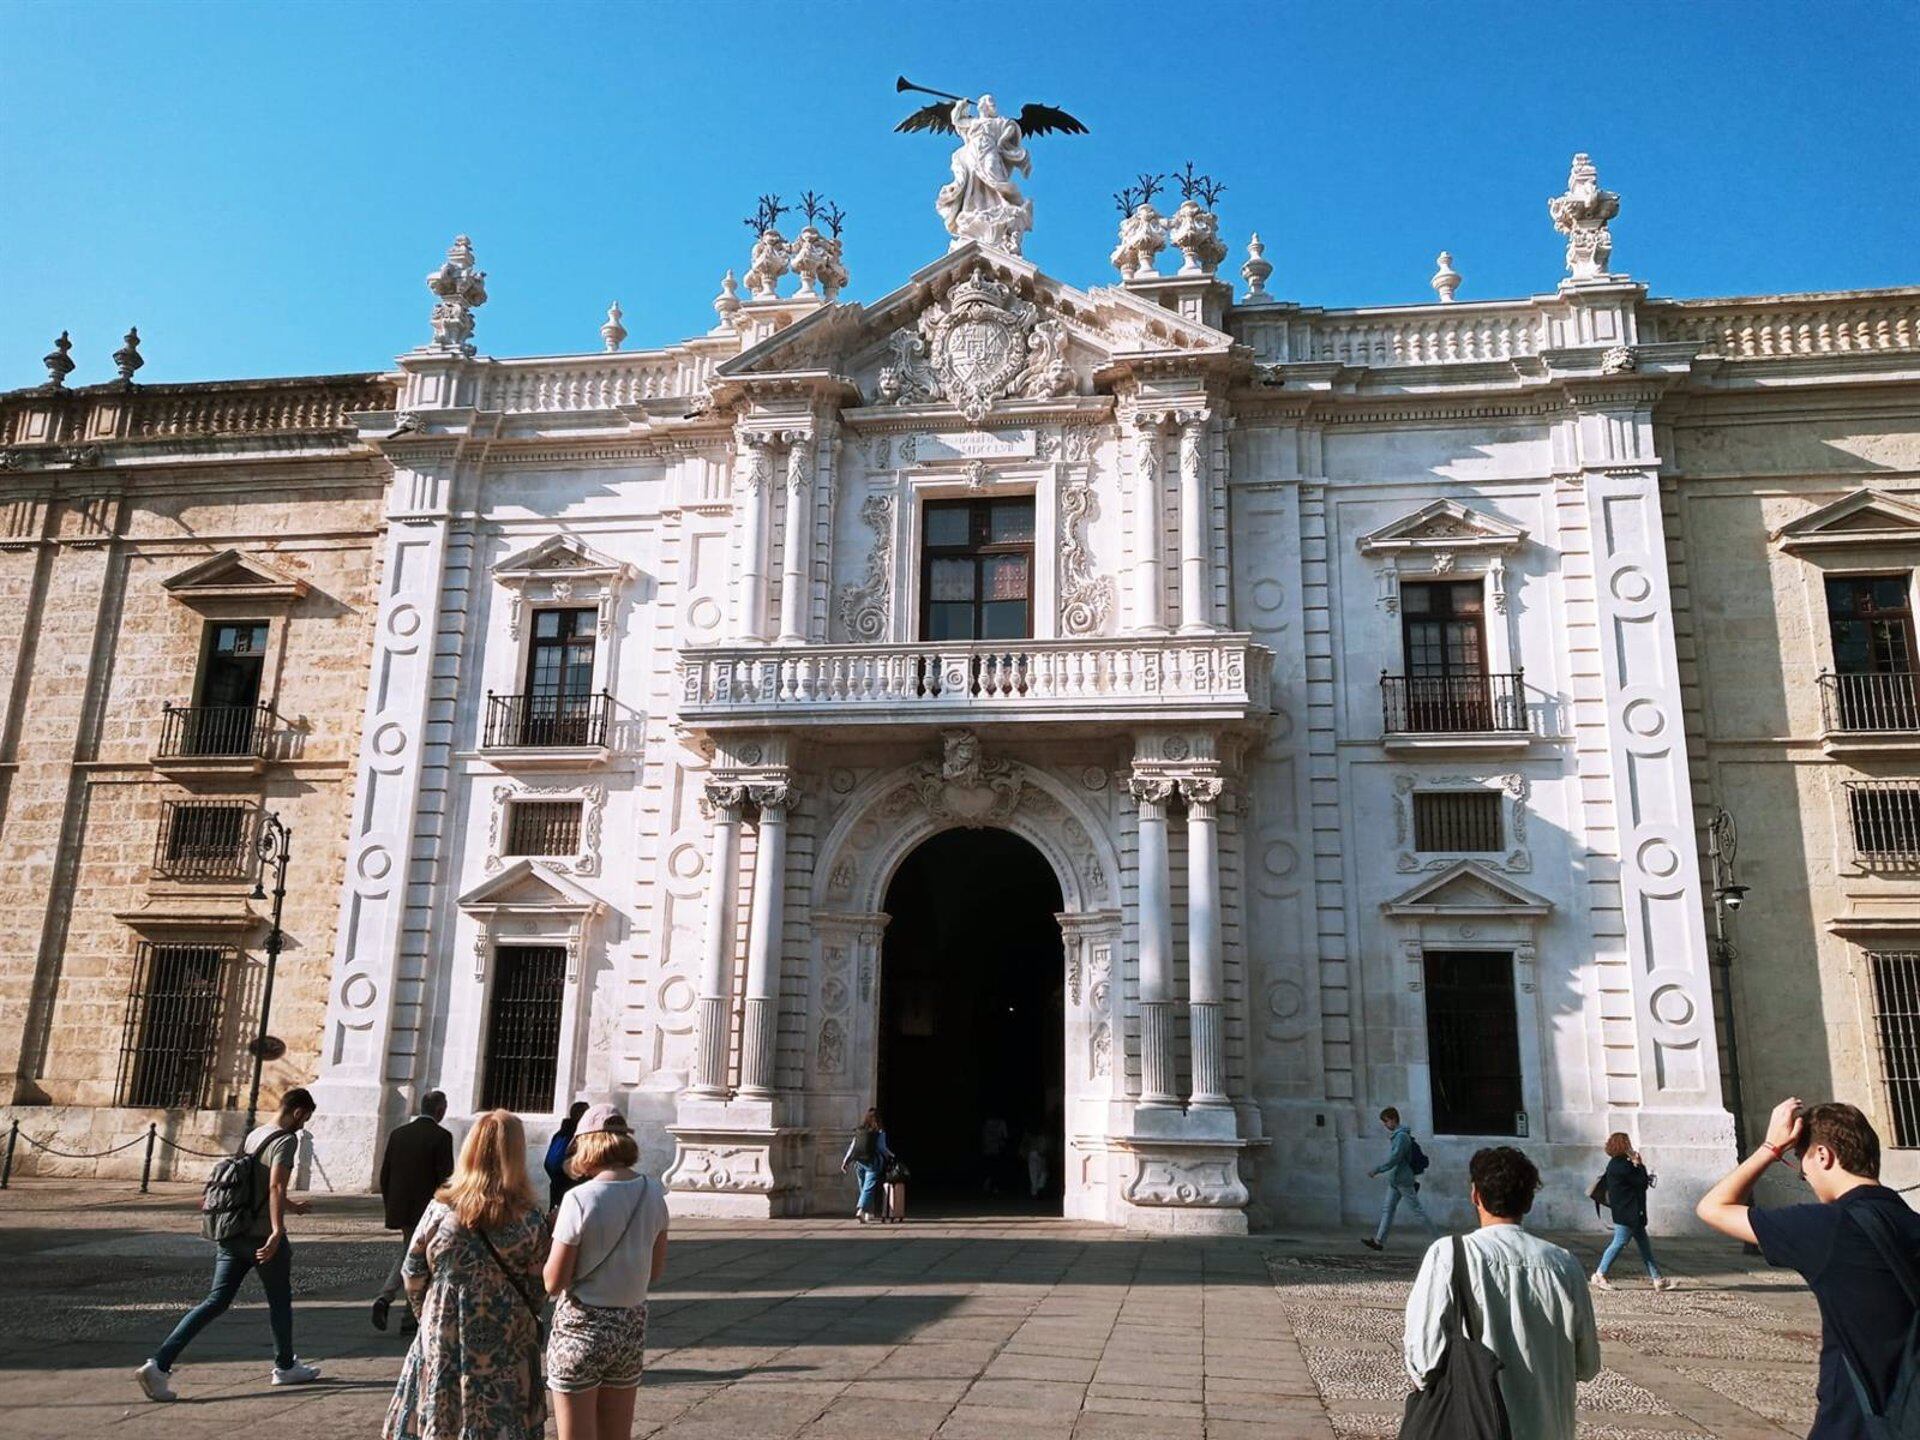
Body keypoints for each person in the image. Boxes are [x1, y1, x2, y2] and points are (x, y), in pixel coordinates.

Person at [1696, 1097, 1920, 1439]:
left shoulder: (1826, 1228)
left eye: (1804, 1171)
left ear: (1823, 1156)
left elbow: (1713, 1207)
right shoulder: (1912, 1223)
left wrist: (1771, 1148)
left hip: (1854, 1423)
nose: (1808, 1180)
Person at [136, 1087, 323, 1402]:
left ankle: (159, 1364)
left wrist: (292, 1205)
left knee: (215, 1301)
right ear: (298, 1112)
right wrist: (278, 1230)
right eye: (305, 1119)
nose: (303, 1125)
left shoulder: (255, 1134)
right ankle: (285, 1366)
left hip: (232, 1233)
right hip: (262, 1237)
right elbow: (275, 1184)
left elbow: (255, 1182)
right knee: (279, 1301)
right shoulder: (287, 1140)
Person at [1404, 1146, 1601, 1440]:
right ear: (1529, 1202)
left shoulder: (1450, 1255)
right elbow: (1587, 1365)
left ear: (1475, 1196)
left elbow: (1423, 1361)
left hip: (1475, 1427)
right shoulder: (1565, 1264)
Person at [382, 1109, 548, 1440]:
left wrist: (428, 1310)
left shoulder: (440, 1210)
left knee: (442, 1409)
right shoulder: (529, 1218)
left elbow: (412, 1270)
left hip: (444, 1326)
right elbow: (538, 1285)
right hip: (507, 1332)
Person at [543, 1104, 671, 1440]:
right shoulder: (654, 1192)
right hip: (630, 1326)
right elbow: (655, 1270)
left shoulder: (579, 1199)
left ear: (588, 1144)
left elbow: (554, 1281)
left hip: (582, 1328)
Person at [373, 1089, 455, 1332]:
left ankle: (404, 1313)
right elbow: (445, 1178)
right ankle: (391, 1301)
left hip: (401, 1207)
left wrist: (391, 1206)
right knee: (419, 1259)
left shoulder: (398, 1134)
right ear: (440, 1110)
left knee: (412, 1253)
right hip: (427, 1210)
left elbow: (385, 1174)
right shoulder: (442, 1137)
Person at [1591, 1132, 1673, 1291]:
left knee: (1644, 1247)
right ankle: (1600, 1274)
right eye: (1627, 1142)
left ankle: (1658, 1279)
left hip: (1628, 1212)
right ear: (1623, 1145)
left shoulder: (1614, 1164)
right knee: (1619, 1243)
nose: (1630, 1145)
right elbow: (1641, 1183)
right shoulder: (1623, 1166)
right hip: (1629, 1213)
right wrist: (1639, 1164)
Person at [1363, 1106, 1439, 1252]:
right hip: (1396, 1180)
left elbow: (1395, 1158)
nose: (1385, 1125)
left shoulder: (1401, 1137)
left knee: (1417, 1211)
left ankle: (1439, 1240)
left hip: (1403, 1180)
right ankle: (1379, 1241)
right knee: (1388, 1209)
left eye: (1386, 1121)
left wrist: (1377, 1170)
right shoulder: (1400, 1135)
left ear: (1393, 1120)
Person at [841, 1109, 890, 1223]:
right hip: (873, 1163)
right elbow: (881, 1148)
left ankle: (867, 1213)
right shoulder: (880, 1131)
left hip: (859, 1162)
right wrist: (890, 1155)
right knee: (868, 1189)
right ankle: (861, 1210)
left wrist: (846, 1161)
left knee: (864, 1188)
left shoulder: (860, 1130)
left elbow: (852, 1146)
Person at [544, 1101, 590, 1213]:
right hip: (575, 1188)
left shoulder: (560, 1133)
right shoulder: (581, 1136)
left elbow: (548, 1163)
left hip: (556, 1187)